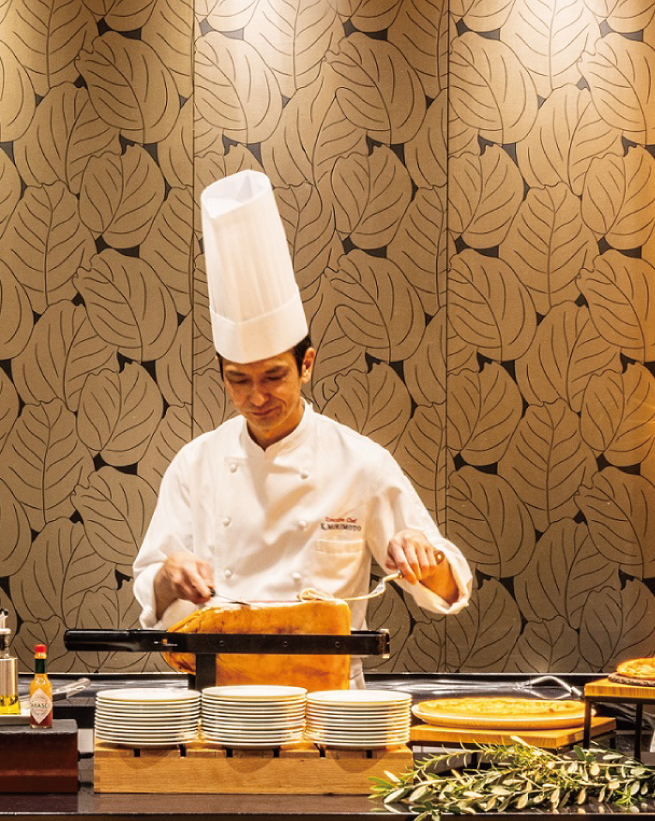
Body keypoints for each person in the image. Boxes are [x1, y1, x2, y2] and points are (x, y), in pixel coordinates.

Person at [131, 172, 471, 680]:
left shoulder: (360, 462)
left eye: (274, 376)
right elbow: (151, 592)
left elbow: (448, 591)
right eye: (238, 380)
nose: (257, 396)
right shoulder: (195, 464)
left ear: (306, 364)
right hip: (218, 699)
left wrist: (427, 561)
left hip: (331, 707)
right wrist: (168, 578)